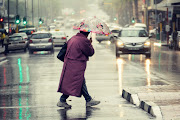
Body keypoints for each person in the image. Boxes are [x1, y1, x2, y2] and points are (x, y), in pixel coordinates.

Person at [57, 31, 100, 108]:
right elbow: (90, 52)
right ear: (86, 34)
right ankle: (63, 100)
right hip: (77, 65)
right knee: (77, 82)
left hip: (69, 63)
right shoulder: (83, 40)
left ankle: (87, 99)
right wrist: (90, 43)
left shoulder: (73, 38)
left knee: (76, 82)